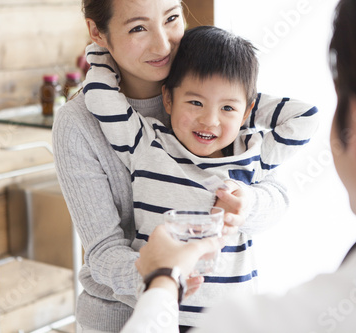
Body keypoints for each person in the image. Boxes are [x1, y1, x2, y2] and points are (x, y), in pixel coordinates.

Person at [122, 0, 356, 331]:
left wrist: (163, 279)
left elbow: (302, 120)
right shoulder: (149, 141)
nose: (209, 120)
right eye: (196, 101)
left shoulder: (262, 321)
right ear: (168, 98)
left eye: (230, 108)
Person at [53, 0, 316, 331]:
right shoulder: (80, 124)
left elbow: (273, 192)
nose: (163, 45)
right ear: (97, 32)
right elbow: (103, 251)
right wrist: (164, 280)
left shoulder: (212, 94)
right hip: (123, 319)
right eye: (138, 28)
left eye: (172, 18)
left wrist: (246, 203)